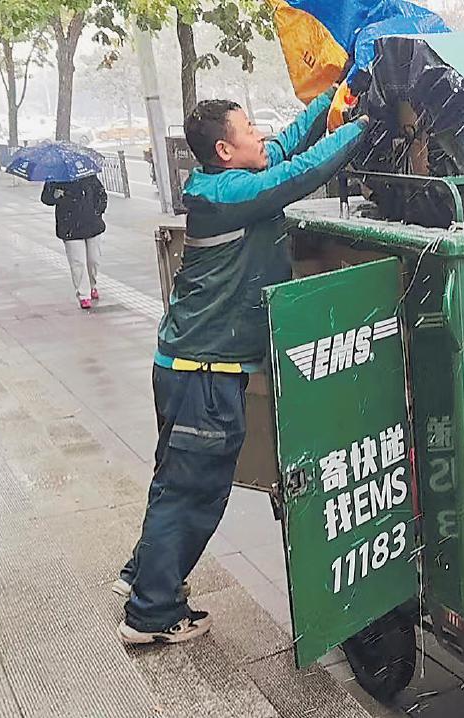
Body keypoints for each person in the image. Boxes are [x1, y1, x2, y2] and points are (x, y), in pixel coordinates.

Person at [114, 89, 370, 645]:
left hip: (187, 366)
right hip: (203, 374)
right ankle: (151, 612)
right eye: (248, 128)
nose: (260, 135)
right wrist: (361, 127)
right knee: (193, 492)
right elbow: (301, 174)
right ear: (225, 151)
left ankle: (142, 574)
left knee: (175, 480)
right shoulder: (232, 195)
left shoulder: (226, 182)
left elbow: (287, 145)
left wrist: (334, 95)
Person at [41, 174, 107, 309]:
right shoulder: (56, 176)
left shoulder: (87, 174)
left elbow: (101, 193)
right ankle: (83, 294)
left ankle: (92, 285)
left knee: (93, 260)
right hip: (69, 226)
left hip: (92, 224)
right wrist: (56, 195)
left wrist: (98, 211)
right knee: (78, 262)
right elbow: (46, 198)